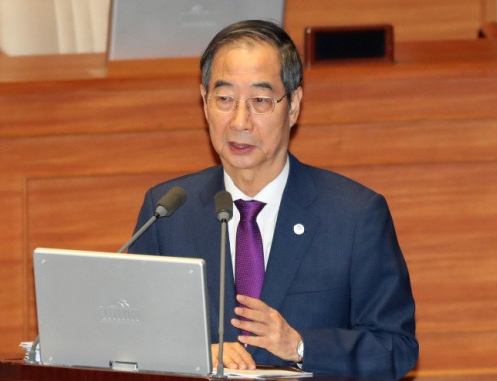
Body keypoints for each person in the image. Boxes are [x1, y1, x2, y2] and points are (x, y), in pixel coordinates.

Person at [129, 19, 418, 380]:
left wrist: (299, 346)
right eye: (224, 99)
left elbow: (396, 349)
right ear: (204, 102)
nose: (239, 121)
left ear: (293, 104)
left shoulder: (354, 215)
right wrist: (193, 354)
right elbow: (130, 336)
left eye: (261, 101)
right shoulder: (168, 212)